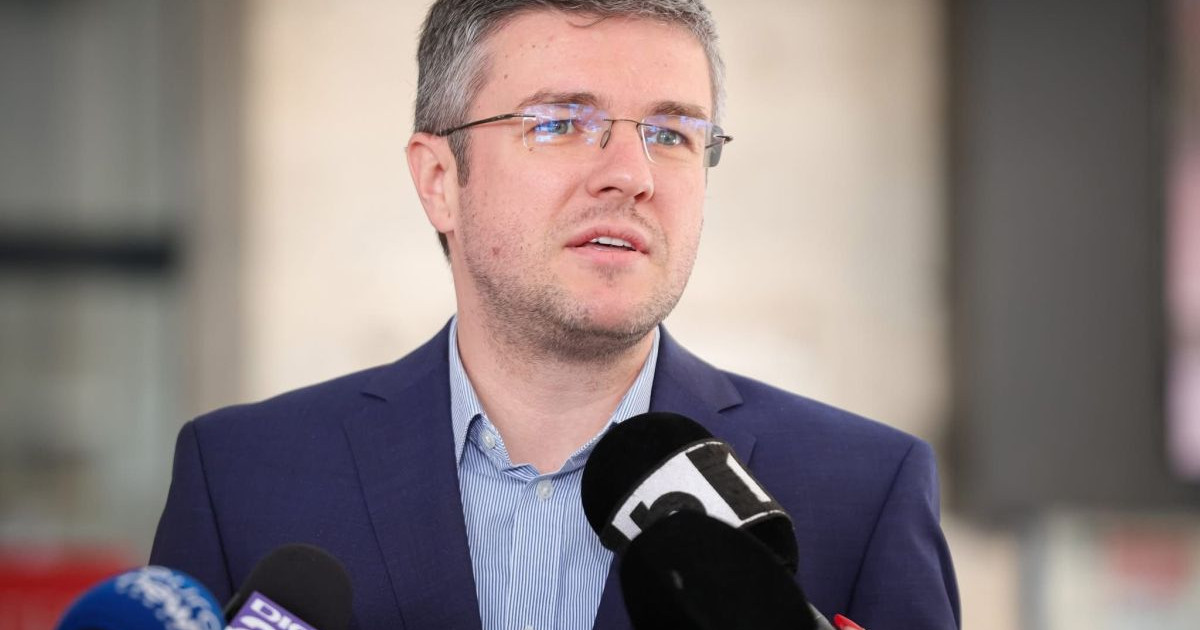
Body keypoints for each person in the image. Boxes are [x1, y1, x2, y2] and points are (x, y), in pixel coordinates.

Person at [150, 1, 961, 628]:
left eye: (672, 133)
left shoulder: (864, 492)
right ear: (439, 180)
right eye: (562, 123)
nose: (631, 174)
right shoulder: (243, 478)